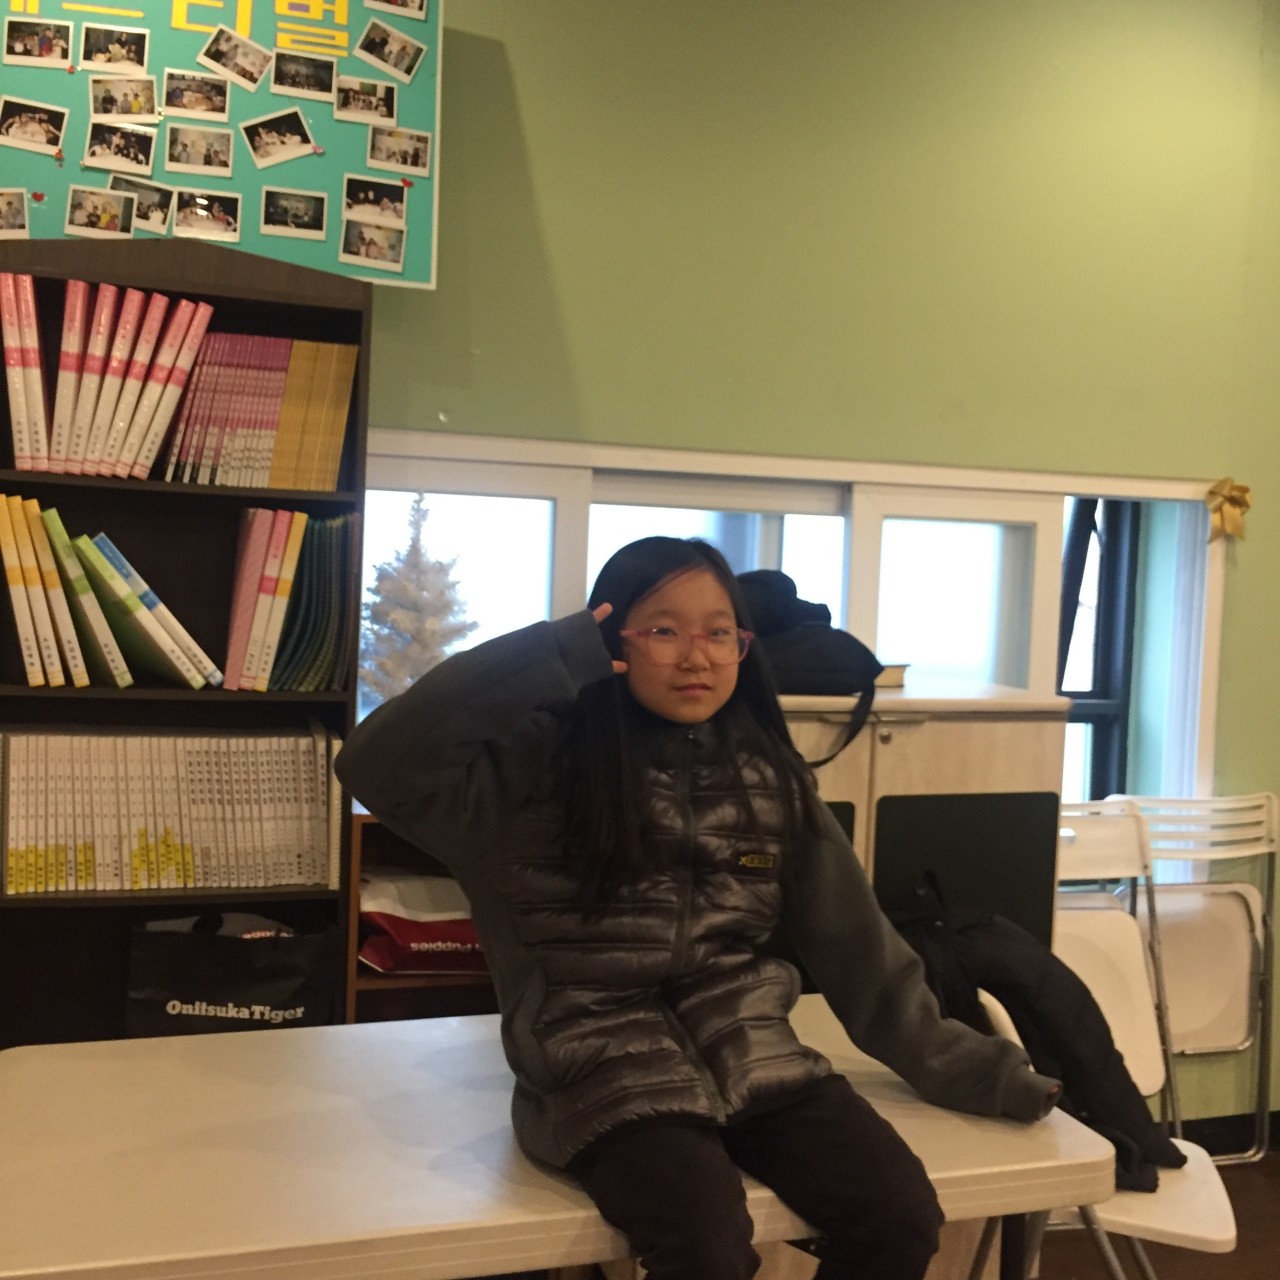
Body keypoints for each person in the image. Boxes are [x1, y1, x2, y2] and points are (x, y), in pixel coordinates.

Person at [335, 536, 1062, 1280]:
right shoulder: (525, 775)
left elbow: (862, 957)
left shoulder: (768, 779)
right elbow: (372, 762)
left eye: (720, 633)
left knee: (900, 1215)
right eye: (664, 630)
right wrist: (553, 653)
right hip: (596, 1072)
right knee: (706, 1248)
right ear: (608, 638)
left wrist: (978, 1071)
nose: (697, 657)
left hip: (757, 1055)